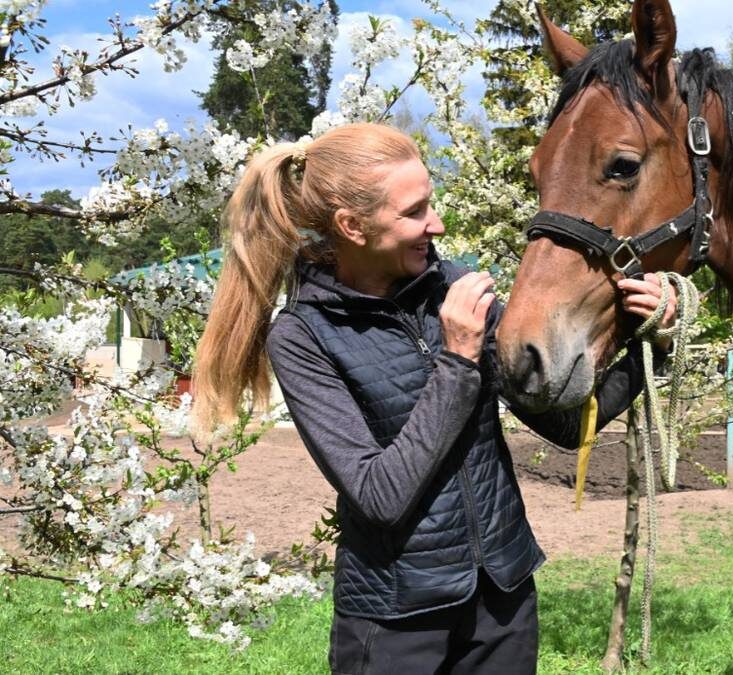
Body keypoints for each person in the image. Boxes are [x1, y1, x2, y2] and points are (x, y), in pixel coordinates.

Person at [191, 123, 676, 674]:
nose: (437, 224)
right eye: (415, 211)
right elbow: (378, 495)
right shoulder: (303, 337)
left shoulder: (456, 289)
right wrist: (458, 360)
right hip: (397, 619)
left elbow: (564, 427)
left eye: (432, 202)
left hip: (503, 597)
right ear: (352, 226)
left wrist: (649, 341)